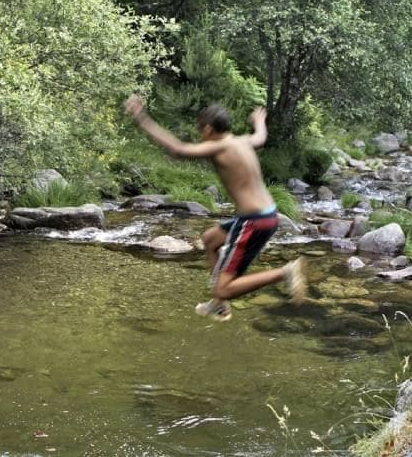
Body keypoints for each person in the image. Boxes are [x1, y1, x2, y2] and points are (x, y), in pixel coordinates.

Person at [124, 94, 306, 321]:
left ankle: (284, 273)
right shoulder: (243, 141)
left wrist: (141, 118)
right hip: (264, 215)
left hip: (254, 220)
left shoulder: (219, 147)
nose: (201, 137)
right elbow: (261, 137)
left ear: (208, 129)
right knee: (210, 240)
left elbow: (178, 149)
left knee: (223, 287)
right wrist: (259, 121)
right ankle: (219, 305)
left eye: (201, 132)